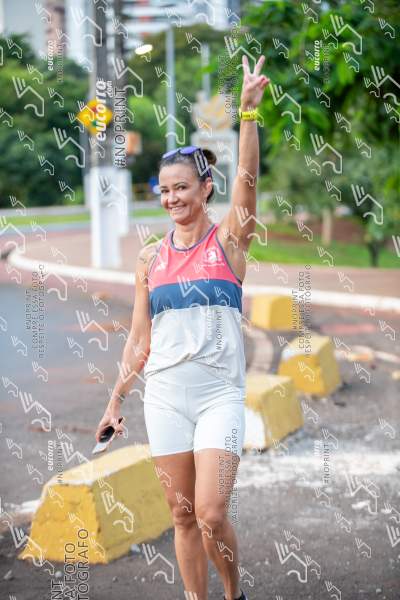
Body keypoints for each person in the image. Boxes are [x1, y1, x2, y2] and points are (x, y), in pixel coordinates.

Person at [95, 54, 270, 600]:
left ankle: (233, 593)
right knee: (183, 513)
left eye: (182, 188)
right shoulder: (150, 259)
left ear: (205, 188)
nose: (172, 198)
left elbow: (248, 181)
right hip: (165, 396)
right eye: (164, 190)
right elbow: (139, 339)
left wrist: (248, 114)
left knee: (213, 513)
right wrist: (116, 399)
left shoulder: (230, 243)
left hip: (219, 395)